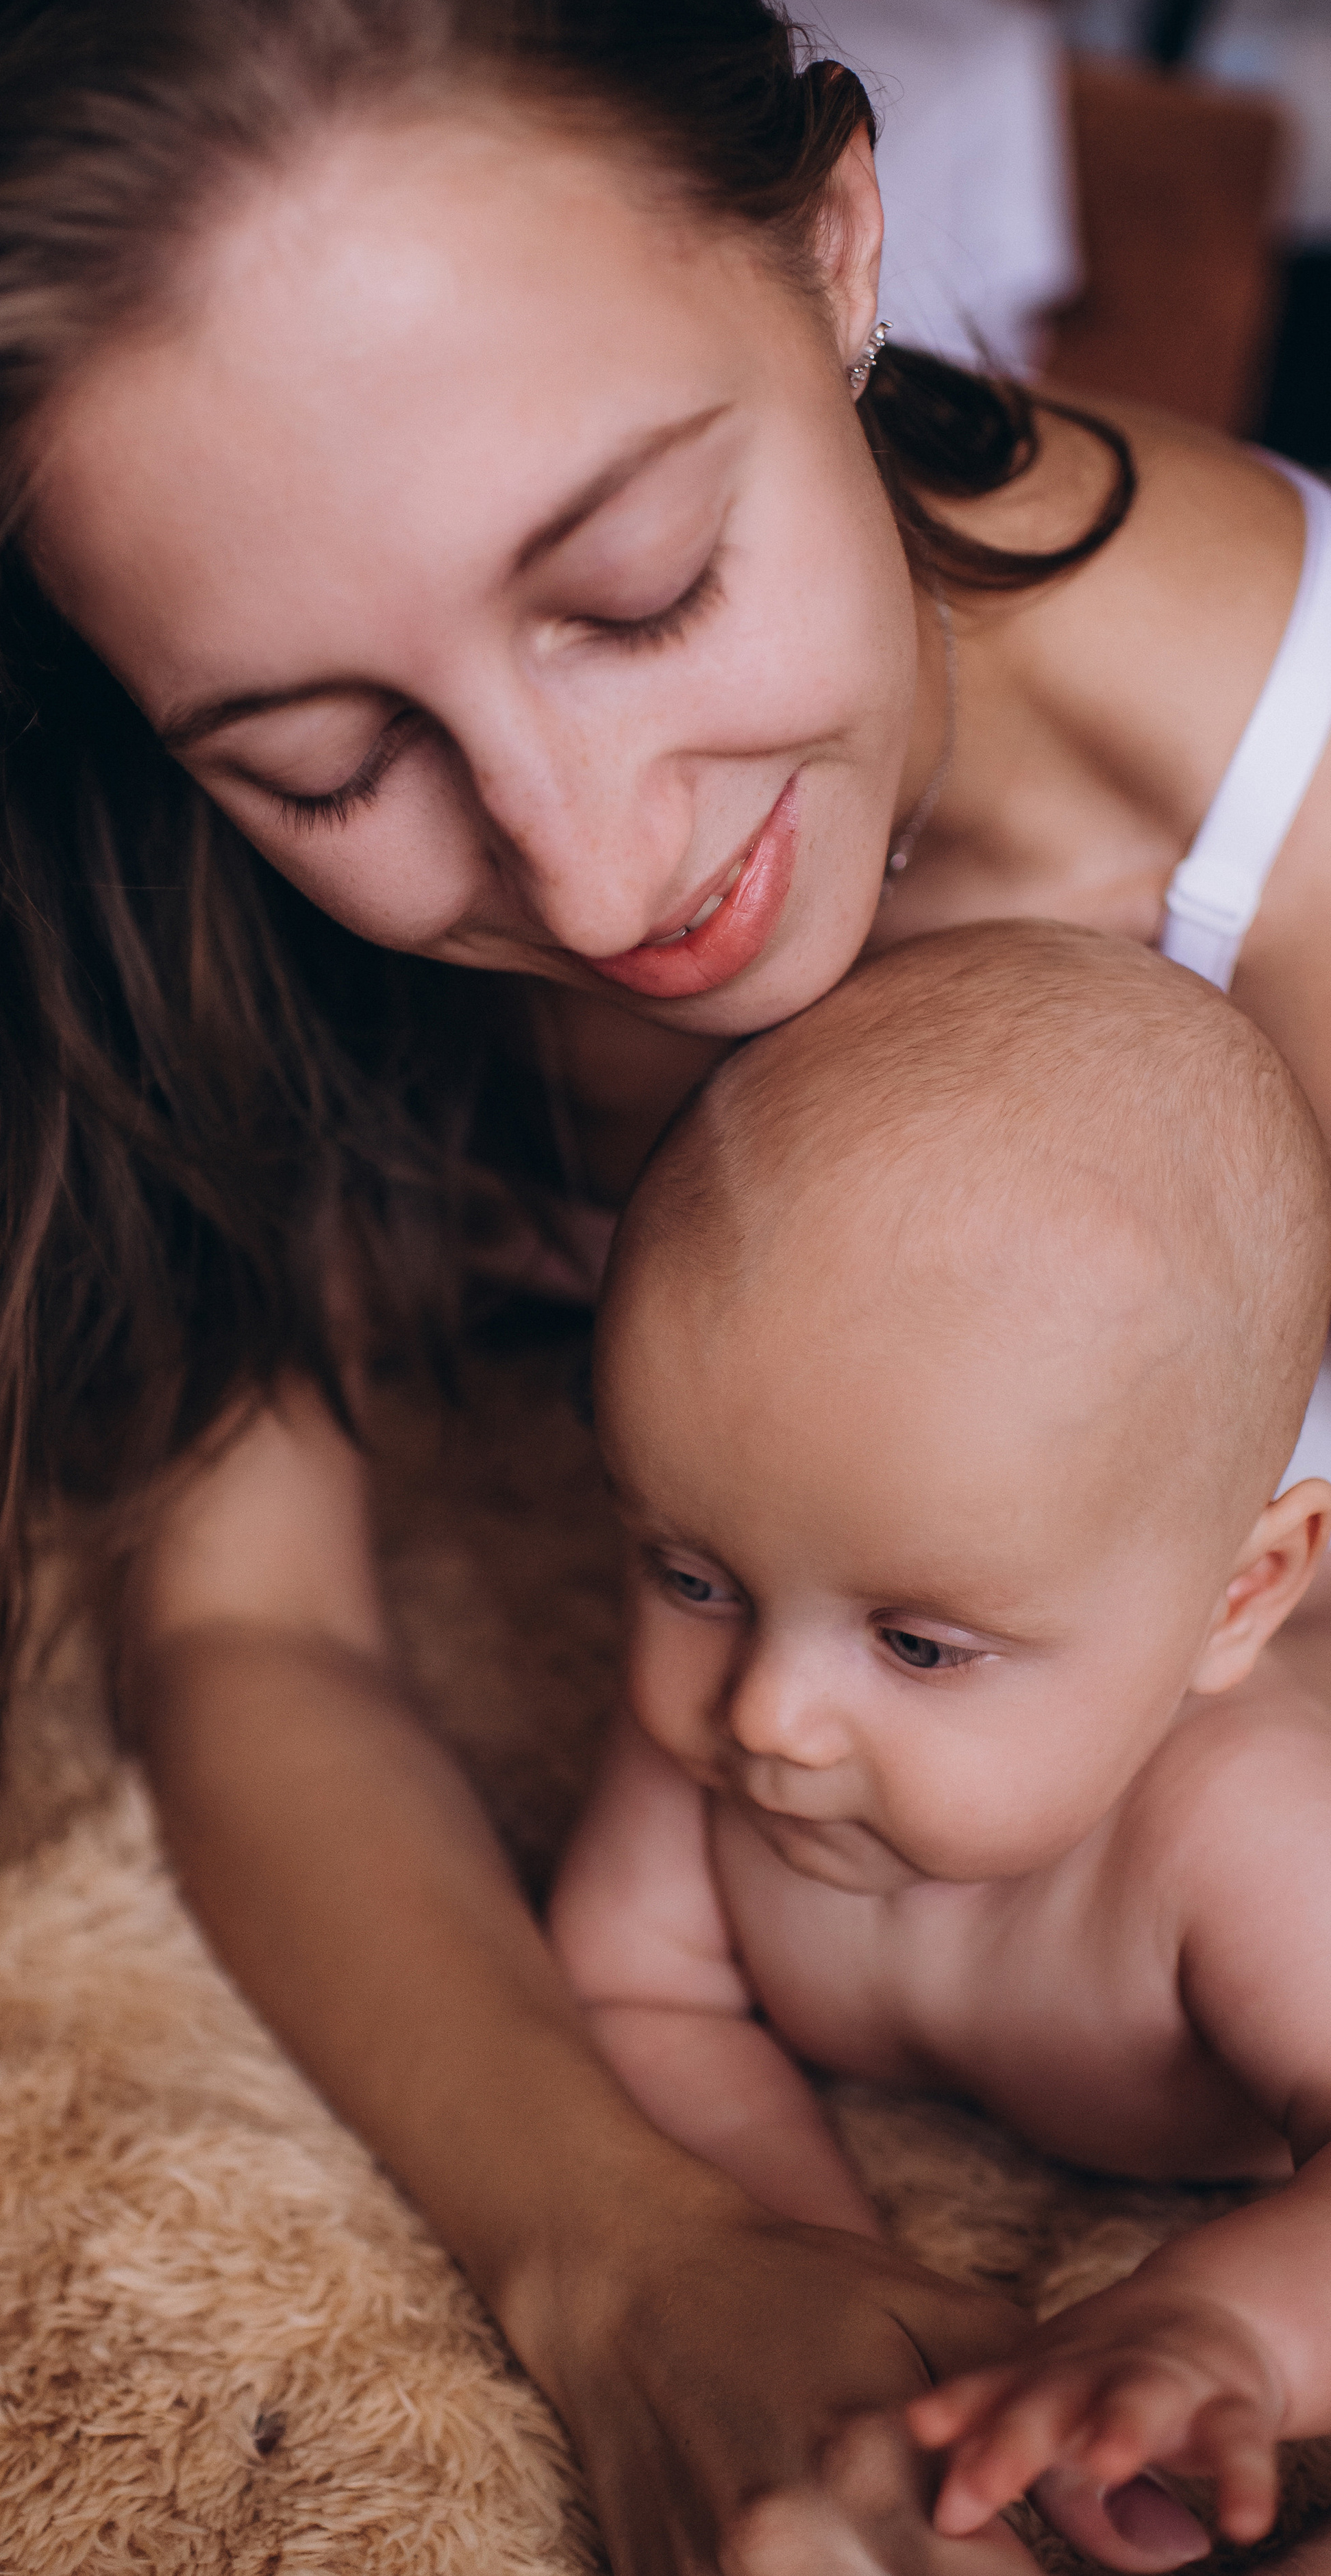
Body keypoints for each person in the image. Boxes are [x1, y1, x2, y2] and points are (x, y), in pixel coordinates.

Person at [0, 0, 1330, 2568]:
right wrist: (632, 2262)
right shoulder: (147, 863)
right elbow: (250, 1637)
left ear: (843, 246)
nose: (593, 866)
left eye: (635, 581)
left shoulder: (1294, 849)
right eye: (326, 758)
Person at [550, 919, 1331, 2576]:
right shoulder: (711, 1741)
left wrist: (1226, 2330)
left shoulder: (1237, 1832)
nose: (766, 1712)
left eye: (915, 1642)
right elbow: (636, 1994)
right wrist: (818, 2258)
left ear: (1233, 1599)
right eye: (686, 1572)